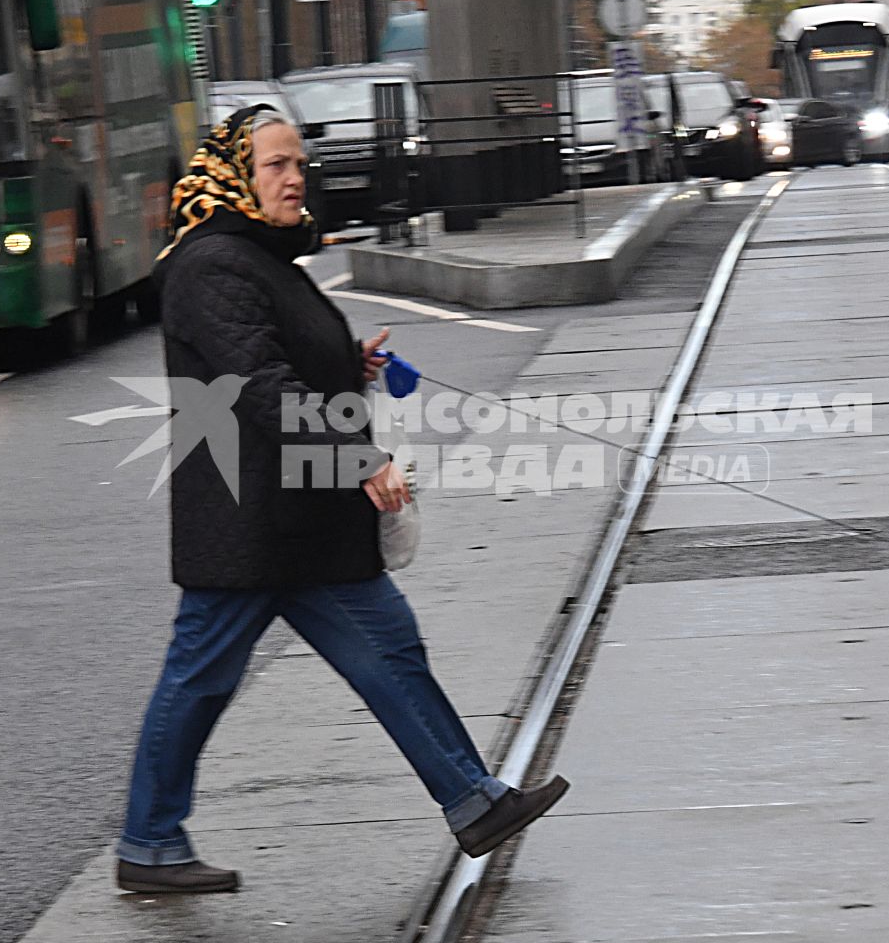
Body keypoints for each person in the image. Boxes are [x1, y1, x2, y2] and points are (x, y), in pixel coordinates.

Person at [116, 106, 569, 894]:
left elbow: (276, 356)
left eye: (299, 164)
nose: (295, 178)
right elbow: (256, 383)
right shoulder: (211, 264)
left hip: (300, 517)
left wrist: (343, 363)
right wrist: (355, 454)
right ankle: (149, 841)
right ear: (233, 174)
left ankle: (473, 798)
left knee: (390, 645)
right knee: (200, 678)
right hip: (250, 516)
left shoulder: (255, 252)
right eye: (275, 166)